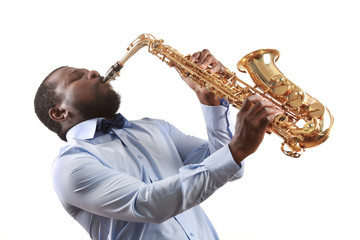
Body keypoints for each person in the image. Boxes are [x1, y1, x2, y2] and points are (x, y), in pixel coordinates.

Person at [34, 49, 281, 240]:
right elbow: (148, 203)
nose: (94, 73)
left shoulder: (154, 127)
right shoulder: (70, 166)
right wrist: (236, 149)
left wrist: (211, 103)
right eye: (77, 77)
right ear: (59, 113)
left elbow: (229, 168)